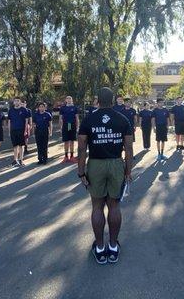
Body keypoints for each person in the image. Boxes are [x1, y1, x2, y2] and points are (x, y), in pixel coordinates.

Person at [77, 87, 133, 264]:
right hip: (116, 163)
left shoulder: (89, 119)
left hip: (95, 164)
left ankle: (100, 249)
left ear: (97, 100)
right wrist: (128, 170)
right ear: (114, 99)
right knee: (114, 206)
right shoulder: (123, 119)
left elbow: (81, 147)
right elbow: (129, 147)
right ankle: (113, 247)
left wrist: (81, 172)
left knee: (97, 206)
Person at [8, 97, 30, 166]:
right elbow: (9, 121)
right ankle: (15, 160)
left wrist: (25, 130)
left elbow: (26, 121)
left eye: (18, 101)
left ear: (20, 102)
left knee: (21, 146)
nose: (16, 102)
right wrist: (9, 131)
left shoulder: (24, 110)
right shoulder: (11, 110)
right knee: (15, 146)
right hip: (13, 130)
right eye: (15, 101)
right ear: (13, 102)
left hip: (21, 130)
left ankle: (21, 160)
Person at [59, 95, 79, 163]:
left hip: (72, 125)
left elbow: (77, 118)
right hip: (65, 125)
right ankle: (66, 157)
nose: (69, 99)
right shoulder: (62, 108)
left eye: (70, 98)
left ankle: (72, 156)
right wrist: (61, 127)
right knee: (66, 141)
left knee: (72, 141)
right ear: (66, 100)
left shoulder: (74, 108)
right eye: (67, 98)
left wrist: (77, 127)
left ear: (72, 100)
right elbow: (61, 118)